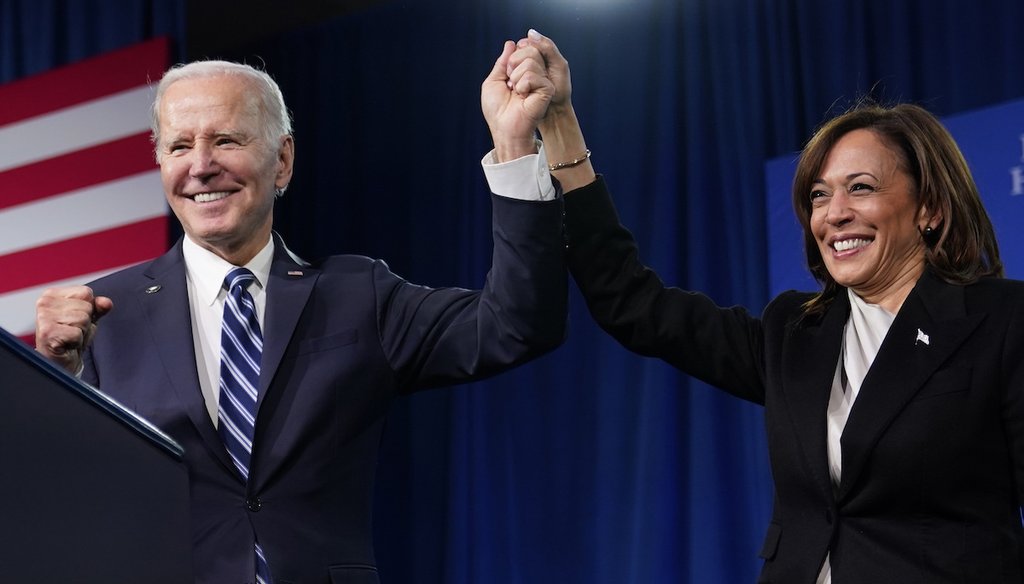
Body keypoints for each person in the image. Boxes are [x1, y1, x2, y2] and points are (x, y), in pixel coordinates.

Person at [34, 38, 567, 584]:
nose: (201, 166)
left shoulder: (359, 295)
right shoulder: (105, 316)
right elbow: (50, 494)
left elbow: (516, 326)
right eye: (178, 147)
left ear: (282, 159)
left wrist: (513, 146)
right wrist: (56, 373)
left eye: (225, 140)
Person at [509, 31, 1024, 583]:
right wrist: (559, 125)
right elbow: (632, 304)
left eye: (861, 187)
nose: (835, 213)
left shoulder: (1001, 321)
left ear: (930, 208)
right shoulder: (795, 331)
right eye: (820, 195)